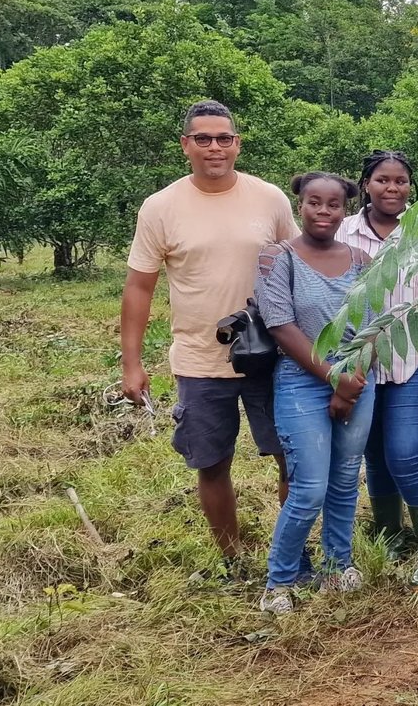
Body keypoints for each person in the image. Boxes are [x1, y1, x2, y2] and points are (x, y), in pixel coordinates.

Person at [121, 100, 298, 577]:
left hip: (272, 355)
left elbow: (300, 267)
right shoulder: (161, 207)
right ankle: (232, 558)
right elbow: (140, 286)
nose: (214, 147)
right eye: (203, 138)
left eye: (224, 138)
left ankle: (289, 554)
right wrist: (131, 363)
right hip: (201, 359)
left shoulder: (270, 198)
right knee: (211, 462)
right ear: (186, 146)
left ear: (237, 144)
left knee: (291, 456)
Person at [254, 172, 376, 614]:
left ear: (346, 209)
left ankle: (336, 565)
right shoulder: (276, 258)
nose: (324, 212)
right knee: (308, 486)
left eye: (334, 205)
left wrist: (352, 382)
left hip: (359, 378)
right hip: (302, 380)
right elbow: (281, 326)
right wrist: (334, 380)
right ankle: (279, 582)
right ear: (299, 205)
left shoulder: (363, 260)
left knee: (345, 479)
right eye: (314, 203)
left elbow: (373, 327)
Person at [340, 150, 418, 587]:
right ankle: (390, 533)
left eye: (401, 181)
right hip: (359, 356)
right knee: (374, 450)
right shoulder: (344, 230)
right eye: (383, 180)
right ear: (366, 183)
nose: (392, 188)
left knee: (407, 453)